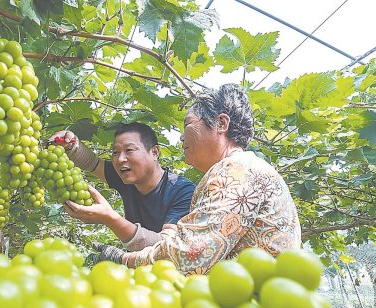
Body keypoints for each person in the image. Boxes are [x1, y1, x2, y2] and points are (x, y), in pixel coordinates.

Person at [77, 84, 302, 274]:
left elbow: (191, 253)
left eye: (187, 124)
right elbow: (96, 165)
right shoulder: (245, 168)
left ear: (222, 124)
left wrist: (123, 259)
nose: (182, 136)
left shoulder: (235, 171)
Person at [49, 122, 196, 250]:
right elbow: (92, 163)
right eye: (115, 152)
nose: (120, 159)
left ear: (154, 152)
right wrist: (71, 144)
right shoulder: (127, 179)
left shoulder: (183, 191)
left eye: (129, 150)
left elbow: (166, 247)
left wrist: (111, 219)